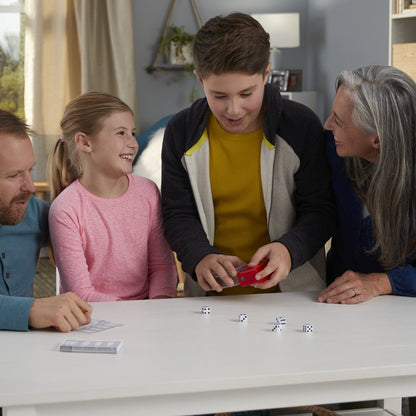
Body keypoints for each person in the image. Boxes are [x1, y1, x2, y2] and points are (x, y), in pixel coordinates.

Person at [161, 12, 336, 296]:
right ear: (199, 79)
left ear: (267, 74)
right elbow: (177, 213)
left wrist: (288, 250)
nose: (233, 109)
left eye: (246, 94)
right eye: (219, 96)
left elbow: (321, 211)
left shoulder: (301, 125)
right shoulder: (180, 132)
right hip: (208, 299)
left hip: (296, 294)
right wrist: (200, 256)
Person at [47, 92, 177, 302]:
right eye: (121, 133)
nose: (133, 143)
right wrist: (134, 315)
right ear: (85, 142)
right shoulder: (66, 208)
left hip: (147, 312)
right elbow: (81, 293)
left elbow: (162, 266)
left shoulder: (148, 192)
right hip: (92, 317)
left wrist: (158, 307)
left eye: (133, 133)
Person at [318, 65, 416, 304]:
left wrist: (383, 282)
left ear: (377, 139)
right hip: (333, 304)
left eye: (339, 121)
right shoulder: (333, 149)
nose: (327, 125)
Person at [0, 109, 92, 331]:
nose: (30, 187)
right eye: (14, 175)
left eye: (30, 170)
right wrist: (30, 310)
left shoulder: (37, 213)